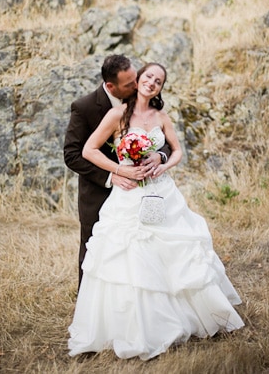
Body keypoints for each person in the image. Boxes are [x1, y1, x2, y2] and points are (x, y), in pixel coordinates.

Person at [68, 62, 244, 360]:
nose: (152, 82)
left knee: (172, 252)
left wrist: (163, 164)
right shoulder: (116, 115)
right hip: (128, 196)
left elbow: (177, 151)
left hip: (162, 192)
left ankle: (180, 317)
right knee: (132, 256)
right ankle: (135, 326)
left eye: (159, 80)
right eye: (148, 76)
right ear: (137, 81)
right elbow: (87, 150)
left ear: (161, 88)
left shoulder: (161, 116)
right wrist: (119, 169)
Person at [63, 54, 170, 285]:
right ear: (111, 86)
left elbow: (165, 140)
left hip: (140, 191)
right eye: (129, 83)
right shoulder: (84, 107)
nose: (137, 85)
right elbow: (72, 156)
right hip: (99, 190)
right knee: (95, 248)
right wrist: (113, 175)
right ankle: (89, 305)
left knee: (143, 245)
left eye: (136, 78)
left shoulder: (145, 100)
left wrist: (159, 156)